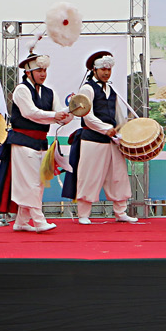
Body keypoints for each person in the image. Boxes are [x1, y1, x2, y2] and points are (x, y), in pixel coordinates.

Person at [0, 51, 72, 232]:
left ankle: (21, 221)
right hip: (22, 142)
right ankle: (39, 220)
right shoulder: (21, 90)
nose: (43, 74)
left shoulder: (50, 92)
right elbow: (30, 113)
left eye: (44, 70)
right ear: (28, 72)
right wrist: (56, 115)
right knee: (31, 182)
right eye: (39, 70)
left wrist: (72, 111)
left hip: (40, 143)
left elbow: (60, 117)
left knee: (38, 182)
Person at [63, 50, 136, 224]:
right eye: (103, 69)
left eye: (109, 69)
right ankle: (83, 214)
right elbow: (86, 115)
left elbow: (118, 115)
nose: (106, 72)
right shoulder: (87, 88)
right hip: (92, 140)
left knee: (118, 176)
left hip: (112, 141)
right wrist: (106, 129)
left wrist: (122, 131)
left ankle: (120, 212)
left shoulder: (111, 89)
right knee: (89, 176)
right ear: (94, 70)